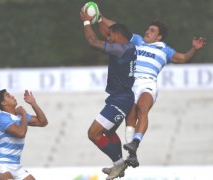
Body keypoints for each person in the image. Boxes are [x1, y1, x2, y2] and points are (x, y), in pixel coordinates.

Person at [97, 15, 206, 168]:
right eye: (148, 29)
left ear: (159, 36)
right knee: (130, 115)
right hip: (131, 84)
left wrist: (194, 49)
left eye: (152, 30)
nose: (148, 32)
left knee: (143, 108)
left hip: (148, 83)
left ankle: (135, 143)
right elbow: (117, 28)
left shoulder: (165, 50)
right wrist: (100, 17)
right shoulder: (137, 40)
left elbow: (183, 58)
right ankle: (132, 154)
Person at [80, 7, 137, 180]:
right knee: (110, 134)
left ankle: (119, 163)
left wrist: (86, 21)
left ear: (119, 36)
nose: (108, 38)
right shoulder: (128, 46)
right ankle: (117, 164)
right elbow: (108, 34)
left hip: (119, 101)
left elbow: (92, 41)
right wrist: (98, 18)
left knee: (93, 134)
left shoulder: (120, 49)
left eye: (111, 36)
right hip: (120, 98)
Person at [0, 89, 48, 180]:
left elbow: (43, 122)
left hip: (16, 165)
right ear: (3, 103)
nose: (12, 96)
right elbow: (21, 133)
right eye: (8, 95)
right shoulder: (2, 117)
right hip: (2, 164)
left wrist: (33, 103)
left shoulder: (20, 116)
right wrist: (24, 115)